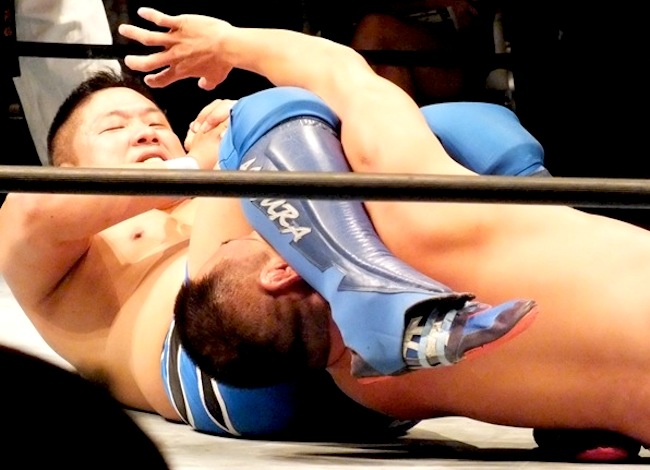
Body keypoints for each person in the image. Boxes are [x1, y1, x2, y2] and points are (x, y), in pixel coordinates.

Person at [117, 7, 650, 460]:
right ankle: (360, 281)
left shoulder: (372, 389)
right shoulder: (419, 215)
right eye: (253, 235)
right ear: (280, 268)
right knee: (265, 116)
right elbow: (337, 72)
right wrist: (227, 43)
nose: (260, 226)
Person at [0, 60, 542, 440]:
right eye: (114, 128)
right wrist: (222, 151)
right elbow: (30, 212)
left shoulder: (209, 199)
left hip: (366, 366)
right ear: (63, 168)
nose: (143, 132)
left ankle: (568, 283)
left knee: (466, 125)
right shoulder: (70, 245)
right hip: (223, 364)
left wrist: (242, 152)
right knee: (263, 120)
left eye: (155, 122)